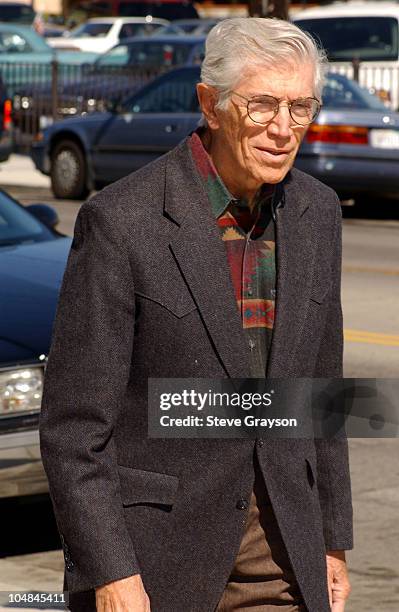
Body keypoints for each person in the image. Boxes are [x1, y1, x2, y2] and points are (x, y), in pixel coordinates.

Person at [39, 17, 353, 612]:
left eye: (301, 108)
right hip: (157, 567)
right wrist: (111, 572)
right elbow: (75, 429)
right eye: (262, 106)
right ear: (211, 105)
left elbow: (322, 397)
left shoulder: (319, 212)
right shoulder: (122, 221)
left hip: (283, 559)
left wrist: (333, 541)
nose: (284, 130)